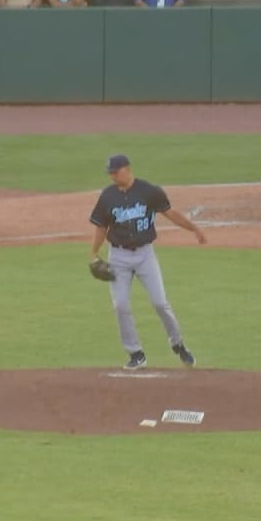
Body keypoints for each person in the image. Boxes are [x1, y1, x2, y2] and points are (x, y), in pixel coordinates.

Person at [88, 154, 206, 370]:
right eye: (110, 173)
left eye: (115, 171)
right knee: (120, 305)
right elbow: (101, 227)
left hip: (145, 255)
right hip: (119, 256)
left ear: (127, 169)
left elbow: (171, 213)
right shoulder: (107, 196)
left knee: (160, 303)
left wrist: (194, 229)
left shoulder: (149, 191)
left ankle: (178, 344)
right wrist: (94, 253)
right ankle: (136, 353)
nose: (113, 176)